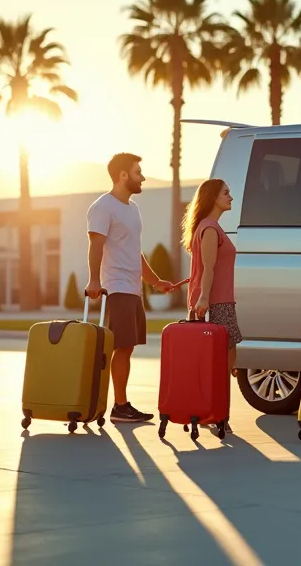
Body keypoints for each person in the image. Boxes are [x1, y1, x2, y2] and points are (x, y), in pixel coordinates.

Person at [85, 152, 177, 424]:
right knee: (122, 346)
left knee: (127, 347)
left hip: (133, 288)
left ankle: (121, 405)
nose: (143, 177)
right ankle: (120, 406)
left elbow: (134, 251)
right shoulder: (103, 206)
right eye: (138, 172)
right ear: (123, 175)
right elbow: (96, 244)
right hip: (116, 287)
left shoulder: (132, 209)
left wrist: (155, 280)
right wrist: (94, 280)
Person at [183, 178, 241, 388]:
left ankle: (215, 412)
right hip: (215, 304)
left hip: (221, 302)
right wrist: (204, 299)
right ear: (213, 198)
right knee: (222, 362)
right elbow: (209, 268)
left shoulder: (211, 227)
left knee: (225, 359)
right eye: (225, 193)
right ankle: (216, 412)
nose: (230, 197)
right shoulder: (209, 229)